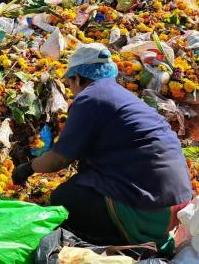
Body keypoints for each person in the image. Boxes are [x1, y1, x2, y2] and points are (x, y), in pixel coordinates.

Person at [12, 43, 192, 253]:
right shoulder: (120, 95)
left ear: (78, 78)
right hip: (175, 205)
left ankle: (130, 242)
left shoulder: (90, 98)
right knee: (82, 183)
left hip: (150, 208)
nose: (71, 89)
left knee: (64, 199)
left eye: (70, 82)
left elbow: (59, 159)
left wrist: (28, 168)